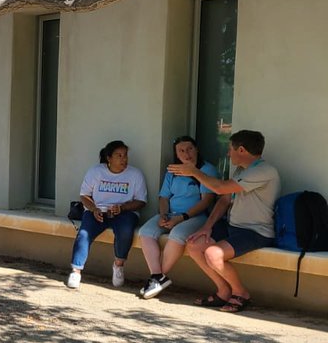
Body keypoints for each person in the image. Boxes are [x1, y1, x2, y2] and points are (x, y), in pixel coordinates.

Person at [169, 129, 280, 314]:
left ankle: (240, 293)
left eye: (230, 149)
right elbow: (225, 199)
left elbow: (220, 189)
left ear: (242, 150)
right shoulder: (241, 170)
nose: (228, 153)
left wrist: (194, 172)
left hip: (256, 232)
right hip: (232, 226)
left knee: (213, 254)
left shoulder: (264, 171)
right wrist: (207, 227)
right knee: (195, 244)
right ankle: (223, 291)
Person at [138, 136, 218, 299]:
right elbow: (164, 197)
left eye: (189, 149)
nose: (186, 154)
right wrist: (163, 215)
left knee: (177, 235)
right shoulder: (173, 171)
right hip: (171, 214)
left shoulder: (207, 170)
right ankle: (157, 276)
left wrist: (182, 218)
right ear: (176, 154)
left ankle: (157, 279)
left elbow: (206, 201)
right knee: (146, 232)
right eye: (181, 150)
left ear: (197, 149)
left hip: (196, 217)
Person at [65, 140, 147, 290]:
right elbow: (84, 195)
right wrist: (94, 208)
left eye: (125, 155)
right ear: (109, 158)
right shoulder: (95, 171)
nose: (124, 159)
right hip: (98, 211)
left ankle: (118, 265)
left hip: (124, 213)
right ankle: (76, 271)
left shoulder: (135, 174)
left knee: (125, 231)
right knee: (84, 234)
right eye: (119, 155)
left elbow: (141, 201)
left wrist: (122, 208)